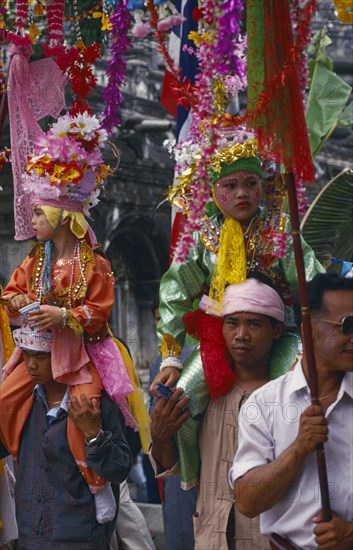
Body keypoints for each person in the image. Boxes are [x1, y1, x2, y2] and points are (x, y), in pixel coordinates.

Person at [151, 137, 324, 487]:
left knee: (301, 391)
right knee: (180, 401)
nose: (242, 193)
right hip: (218, 339)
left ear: (263, 188)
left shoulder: (280, 233)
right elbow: (174, 293)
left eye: (250, 183)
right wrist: (170, 358)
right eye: (230, 185)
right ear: (213, 191)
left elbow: (312, 285)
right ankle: (196, 482)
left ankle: (294, 479)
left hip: (278, 336)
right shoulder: (202, 239)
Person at [0, 111, 150, 505]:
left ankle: (97, 487)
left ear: (62, 216)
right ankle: (19, 463)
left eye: (37, 213)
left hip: (81, 355)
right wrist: (16, 300)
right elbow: (12, 290)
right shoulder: (37, 258)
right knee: (4, 399)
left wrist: (64, 316)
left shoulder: (94, 263)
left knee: (83, 412)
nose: (31, 220)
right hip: (37, 352)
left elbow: (99, 311)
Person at [150, 277, 287, 549]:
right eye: (232, 323)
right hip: (212, 539)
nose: (241, 335)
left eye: (255, 324)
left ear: (277, 330)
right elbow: (172, 465)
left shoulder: (291, 394)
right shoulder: (202, 396)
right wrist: (160, 435)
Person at [230, 273, 353, 549]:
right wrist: (298, 449)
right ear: (309, 328)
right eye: (347, 325)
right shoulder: (264, 405)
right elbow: (247, 501)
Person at [0, 323, 132, 550]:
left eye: (40, 356)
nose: (31, 364)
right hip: (30, 538)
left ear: (63, 354)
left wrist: (93, 434)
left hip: (81, 539)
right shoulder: (21, 402)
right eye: (28, 355)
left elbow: (119, 469)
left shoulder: (97, 403)